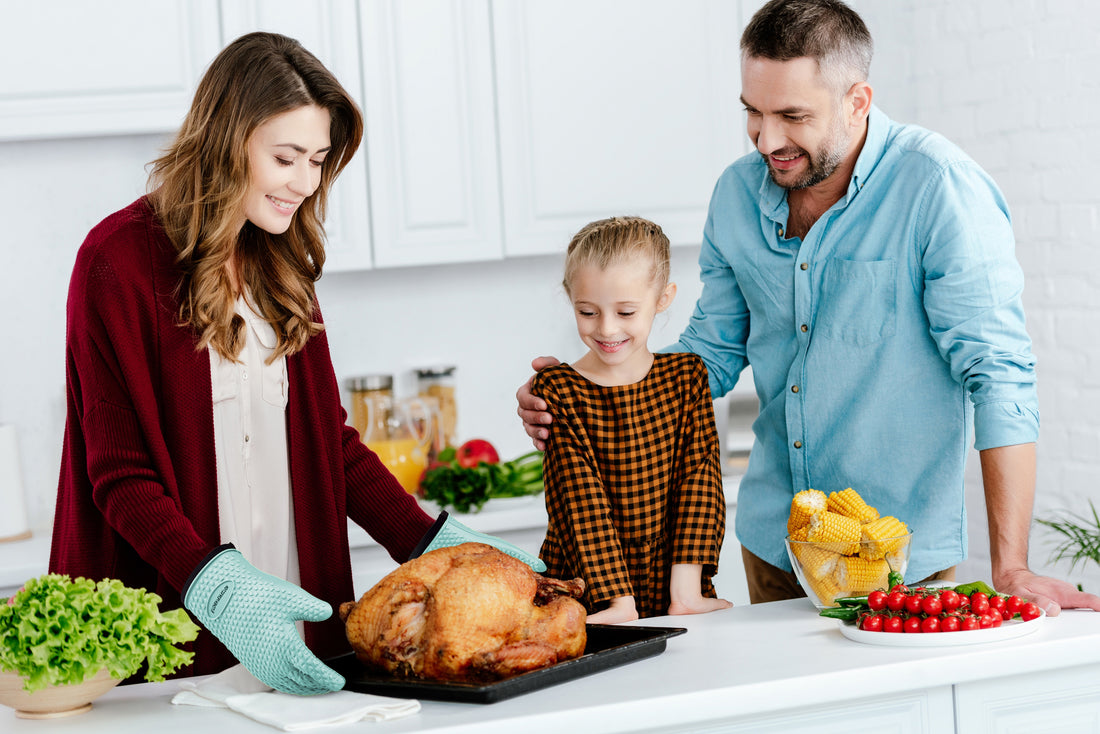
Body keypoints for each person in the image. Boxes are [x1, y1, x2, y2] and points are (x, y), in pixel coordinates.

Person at [518, 0, 1100, 616]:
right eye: (753, 113)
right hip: (773, 544)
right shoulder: (737, 195)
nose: (767, 140)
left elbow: (998, 373)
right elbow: (710, 354)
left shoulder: (938, 188)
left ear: (857, 101)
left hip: (896, 560)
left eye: (792, 115)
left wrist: (1010, 564)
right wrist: (595, 384)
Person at [49, 31, 543, 696]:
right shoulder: (117, 262)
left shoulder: (280, 264)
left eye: (317, 160)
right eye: (286, 157)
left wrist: (435, 545)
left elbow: (329, 447)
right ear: (228, 140)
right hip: (171, 631)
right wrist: (217, 587)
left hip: (296, 622)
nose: (305, 183)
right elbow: (119, 473)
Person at [533, 216, 732, 624]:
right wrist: (617, 602)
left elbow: (699, 482)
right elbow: (579, 502)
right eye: (587, 311)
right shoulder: (558, 390)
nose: (607, 329)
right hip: (590, 587)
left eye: (626, 311)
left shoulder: (687, 377)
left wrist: (686, 592)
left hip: (676, 582)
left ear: (663, 298)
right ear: (571, 299)